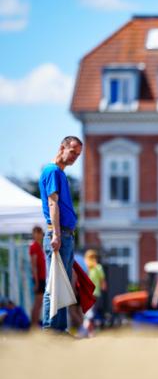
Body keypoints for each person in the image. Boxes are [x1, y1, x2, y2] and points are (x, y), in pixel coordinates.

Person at [39, 136, 83, 333]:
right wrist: (56, 234)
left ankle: (60, 329)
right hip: (59, 234)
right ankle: (51, 329)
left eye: (78, 154)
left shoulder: (60, 173)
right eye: (73, 151)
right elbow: (52, 203)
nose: (75, 157)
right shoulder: (52, 171)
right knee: (54, 282)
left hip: (66, 235)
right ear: (62, 148)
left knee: (62, 284)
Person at [82, 249, 106, 336]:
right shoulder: (97, 267)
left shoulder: (86, 267)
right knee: (91, 312)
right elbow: (103, 281)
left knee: (89, 311)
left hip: (88, 293)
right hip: (94, 293)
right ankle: (89, 331)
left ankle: (88, 331)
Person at [29, 226, 46, 327]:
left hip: (42, 278)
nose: (38, 235)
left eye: (40, 232)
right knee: (37, 303)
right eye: (36, 232)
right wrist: (36, 281)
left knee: (39, 303)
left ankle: (34, 324)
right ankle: (34, 325)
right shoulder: (34, 246)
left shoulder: (40, 246)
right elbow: (34, 265)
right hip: (38, 278)